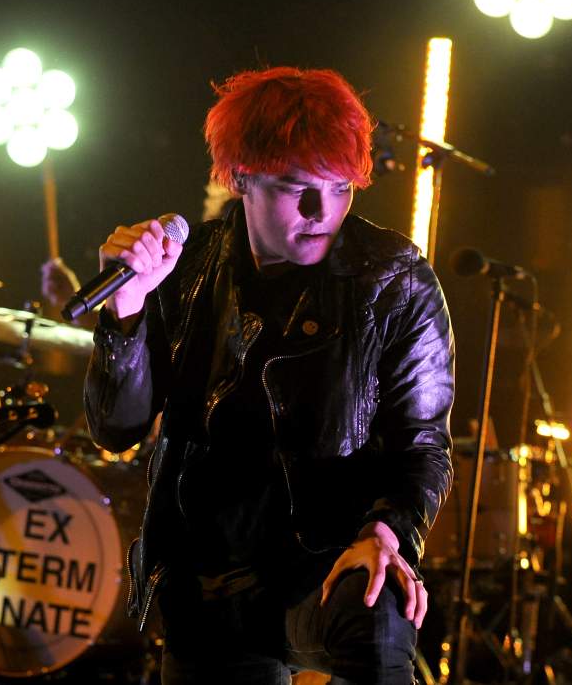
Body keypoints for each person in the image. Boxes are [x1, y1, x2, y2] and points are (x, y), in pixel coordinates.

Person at [83, 67, 454, 684]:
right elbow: (116, 430)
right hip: (209, 579)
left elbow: (422, 447)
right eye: (294, 187)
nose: (321, 211)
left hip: (324, 569)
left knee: (377, 601)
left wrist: (385, 535)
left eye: (340, 188)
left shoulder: (394, 281)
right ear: (240, 179)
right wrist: (126, 312)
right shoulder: (188, 267)